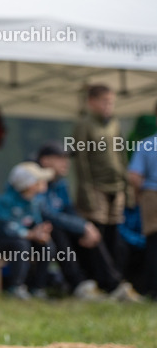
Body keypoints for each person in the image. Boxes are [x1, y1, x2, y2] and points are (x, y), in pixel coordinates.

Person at [37, 142, 141, 301]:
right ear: (45, 161)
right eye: (60, 158)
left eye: (66, 158)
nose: (66, 163)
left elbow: (69, 210)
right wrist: (82, 226)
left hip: (60, 228)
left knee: (91, 233)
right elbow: (45, 214)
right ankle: (79, 285)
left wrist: (86, 227)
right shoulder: (34, 179)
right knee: (58, 230)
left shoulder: (60, 184)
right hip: (37, 231)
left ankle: (113, 285)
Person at [72, 84, 128, 274]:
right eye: (104, 101)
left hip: (117, 186)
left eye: (111, 102)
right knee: (97, 233)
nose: (108, 106)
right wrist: (86, 191)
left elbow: (121, 155)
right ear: (91, 102)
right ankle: (97, 276)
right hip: (96, 187)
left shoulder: (114, 124)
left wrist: (126, 187)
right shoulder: (84, 125)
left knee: (114, 234)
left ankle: (114, 274)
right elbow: (81, 161)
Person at [0, 162, 53, 299]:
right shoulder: (3, 202)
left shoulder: (33, 202)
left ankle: (38, 288)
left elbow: (33, 224)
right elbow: (4, 229)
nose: (43, 183)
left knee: (46, 245)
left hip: (18, 241)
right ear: (30, 184)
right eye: (39, 180)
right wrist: (30, 234)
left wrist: (40, 231)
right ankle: (16, 287)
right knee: (21, 244)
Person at [127, 106, 157, 298]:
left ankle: (152, 289)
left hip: (152, 194)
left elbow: (134, 175)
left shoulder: (148, 144)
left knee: (154, 243)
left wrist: (138, 196)